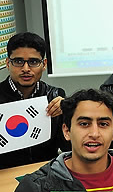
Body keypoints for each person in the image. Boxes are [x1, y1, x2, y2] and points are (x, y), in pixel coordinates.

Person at [0, 32, 68, 168]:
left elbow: (67, 147)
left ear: (44, 64)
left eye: (33, 62)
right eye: (18, 62)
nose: (26, 69)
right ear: (8, 63)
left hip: (46, 172)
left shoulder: (54, 96)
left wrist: (68, 111)